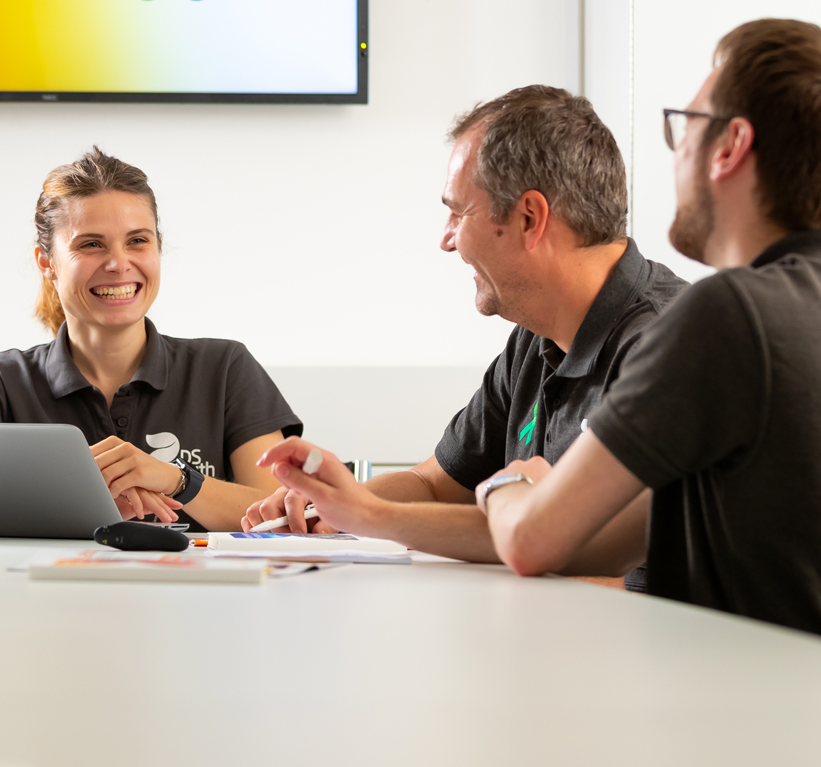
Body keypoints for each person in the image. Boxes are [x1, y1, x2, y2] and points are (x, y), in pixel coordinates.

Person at [264, 19, 821, 641]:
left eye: (686, 126)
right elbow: (608, 539)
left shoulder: (731, 316)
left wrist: (510, 488)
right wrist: (362, 506)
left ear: (729, 148)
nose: (675, 156)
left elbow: (531, 540)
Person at [243, 85, 685, 588]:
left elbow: (628, 574)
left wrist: (369, 513)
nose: (446, 239)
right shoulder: (533, 343)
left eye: (458, 212)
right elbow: (433, 485)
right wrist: (341, 504)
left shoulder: (667, 345)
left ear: (529, 218)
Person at [0, 147, 301, 532]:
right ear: (47, 262)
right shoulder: (1, 381)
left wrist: (178, 480)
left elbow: (278, 515)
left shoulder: (224, 368)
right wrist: (73, 497)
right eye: (91, 244)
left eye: (137, 241)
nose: (118, 263)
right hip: (47, 590)